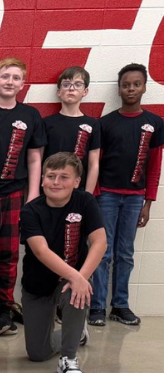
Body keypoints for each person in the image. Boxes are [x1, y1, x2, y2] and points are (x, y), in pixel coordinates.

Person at [0, 57, 47, 335]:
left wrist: (34, 194)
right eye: (5, 76)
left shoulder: (30, 116)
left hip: (16, 193)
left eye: (16, 78)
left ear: (22, 85)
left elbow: (35, 159)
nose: (10, 81)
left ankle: (5, 304)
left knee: (10, 252)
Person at [20, 153, 106, 373]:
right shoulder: (30, 210)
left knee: (77, 291)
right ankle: (77, 334)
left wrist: (80, 278)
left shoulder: (85, 201)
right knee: (37, 354)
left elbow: (99, 242)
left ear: (76, 182)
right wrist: (76, 277)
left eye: (64, 177)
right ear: (42, 180)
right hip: (38, 285)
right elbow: (41, 251)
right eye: (51, 176)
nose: (56, 182)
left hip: (69, 283)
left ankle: (68, 358)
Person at [90, 63, 163, 326]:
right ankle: (96, 306)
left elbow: (155, 166)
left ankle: (120, 305)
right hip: (106, 196)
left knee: (125, 253)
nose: (130, 89)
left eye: (136, 84)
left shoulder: (154, 124)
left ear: (144, 87)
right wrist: (96, 196)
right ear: (119, 89)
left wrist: (149, 203)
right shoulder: (106, 123)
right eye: (125, 85)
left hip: (135, 199)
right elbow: (95, 164)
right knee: (102, 251)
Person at [42, 66, 100, 194]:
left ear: (85, 91)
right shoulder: (46, 123)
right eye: (66, 84)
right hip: (50, 189)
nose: (71, 88)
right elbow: (39, 159)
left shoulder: (93, 124)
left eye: (78, 84)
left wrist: (88, 195)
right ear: (59, 91)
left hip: (78, 190)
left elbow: (93, 164)